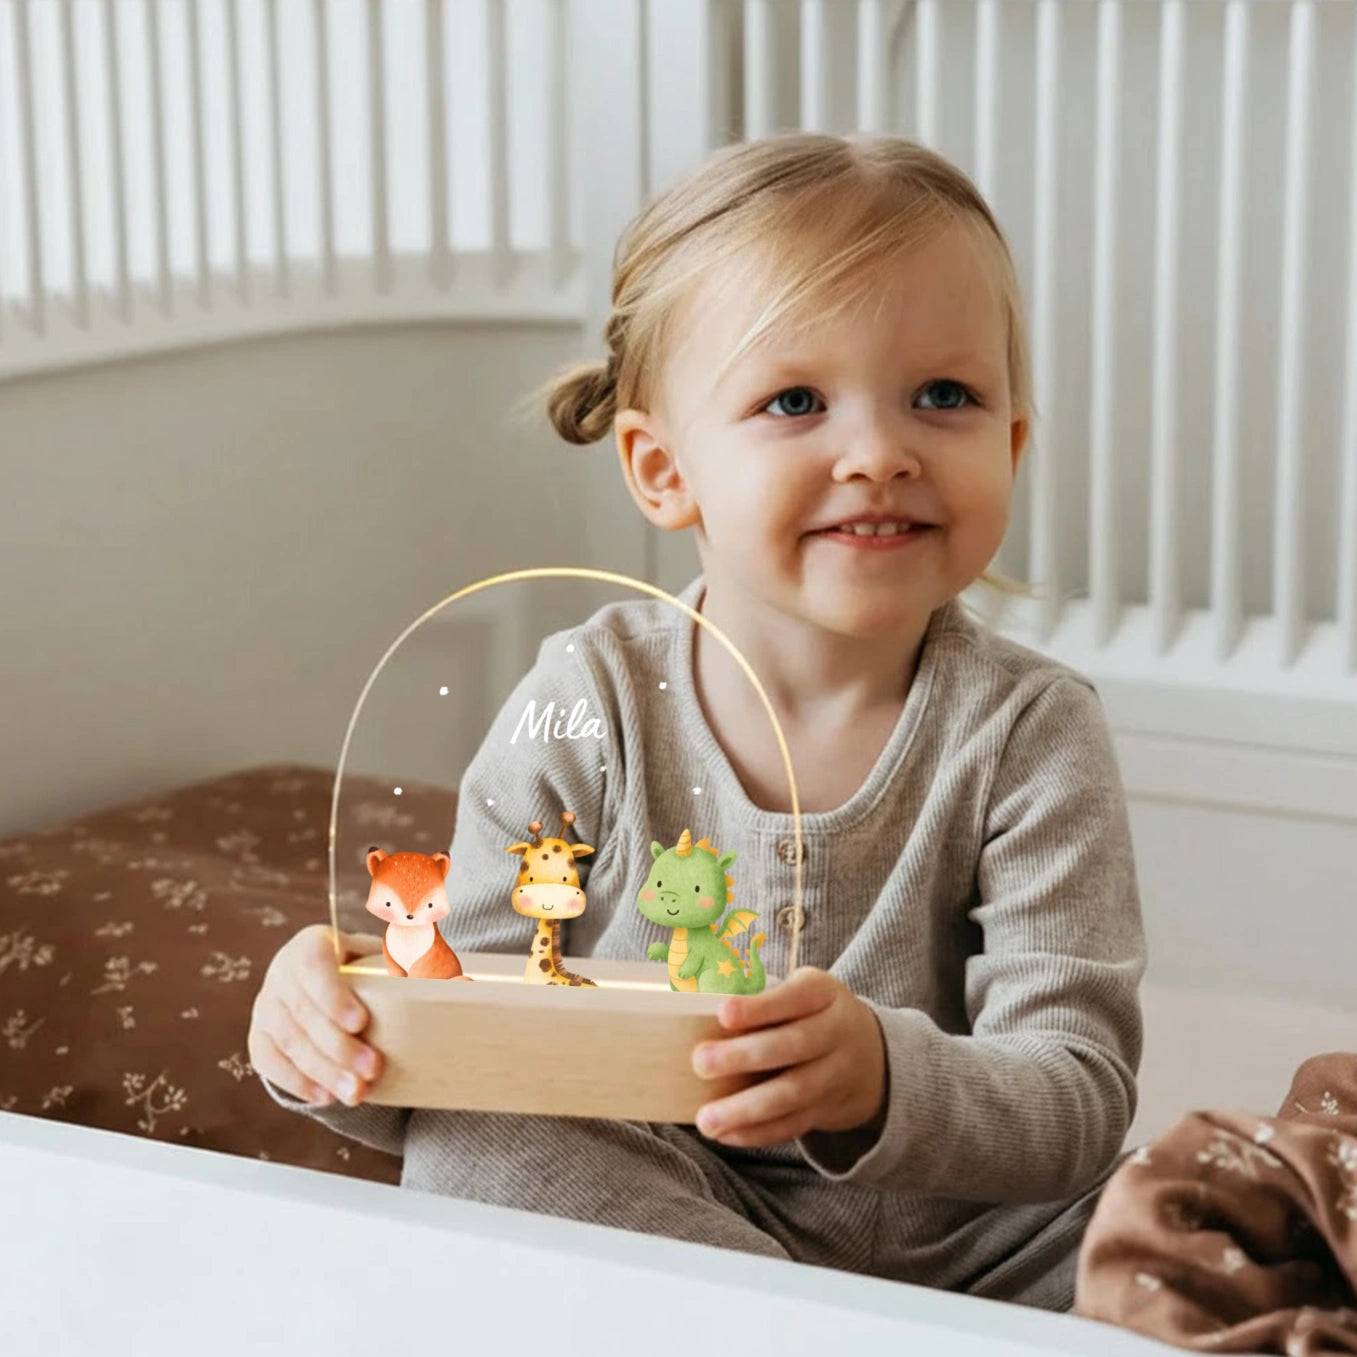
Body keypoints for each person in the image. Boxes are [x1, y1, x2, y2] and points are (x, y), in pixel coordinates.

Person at [247, 133, 1146, 1312]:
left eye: (944, 396)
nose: (880, 453)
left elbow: (1075, 1092)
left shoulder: (1031, 730)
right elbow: (462, 1029)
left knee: (1197, 1206)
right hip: (660, 1200)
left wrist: (881, 1077)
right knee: (473, 1148)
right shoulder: (589, 701)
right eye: (794, 401)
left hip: (967, 1243)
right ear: (664, 469)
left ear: (1011, 444)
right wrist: (327, 1033)